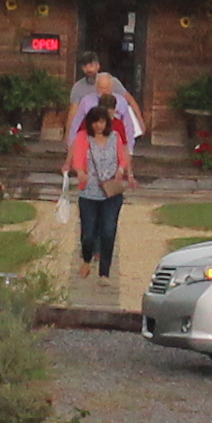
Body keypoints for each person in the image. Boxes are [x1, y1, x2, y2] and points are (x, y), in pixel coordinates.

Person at [63, 61, 139, 284]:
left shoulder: (116, 134)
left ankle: (104, 272)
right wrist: (77, 170)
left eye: (103, 122)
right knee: (88, 233)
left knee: (108, 231)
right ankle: (86, 258)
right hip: (89, 192)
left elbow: (124, 151)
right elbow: (78, 154)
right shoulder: (83, 134)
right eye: (95, 122)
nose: (99, 126)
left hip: (111, 192)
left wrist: (124, 171)